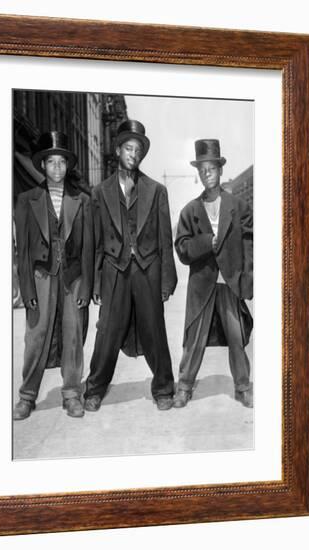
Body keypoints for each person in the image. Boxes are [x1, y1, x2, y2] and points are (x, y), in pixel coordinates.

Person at [83, 120, 177, 412]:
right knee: (107, 331)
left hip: (148, 268)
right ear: (118, 149)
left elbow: (165, 239)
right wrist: (96, 283)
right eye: (128, 147)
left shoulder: (157, 190)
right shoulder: (100, 192)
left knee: (154, 330)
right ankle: (94, 389)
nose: (133, 153)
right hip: (114, 269)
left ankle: (163, 388)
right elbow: (96, 242)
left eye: (138, 149)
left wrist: (166, 281)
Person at [13, 131, 93, 420]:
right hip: (41, 276)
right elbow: (22, 250)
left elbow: (89, 247)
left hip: (73, 277)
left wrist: (87, 287)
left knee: (73, 335)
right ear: (43, 165)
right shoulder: (26, 200)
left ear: (67, 166)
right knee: (36, 336)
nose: (57, 168)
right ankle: (27, 396)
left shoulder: (82, 200)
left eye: (62, 162)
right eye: (52, 162)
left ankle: (72, 393)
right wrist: (27, 289)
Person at [173, 139, 253, 409]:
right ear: (198, 173)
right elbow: (182, 248)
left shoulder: (238, 206)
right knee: (194, 339)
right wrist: (207, 242)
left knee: (236, 336)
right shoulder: (190, 210)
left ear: (220, 170)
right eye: (202, 169)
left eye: (212, 168)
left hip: (229, 282)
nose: (207, 173)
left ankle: (243, 386)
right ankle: (184, 386)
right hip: (202, 284)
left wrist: (248, 276)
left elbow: (250, 242)